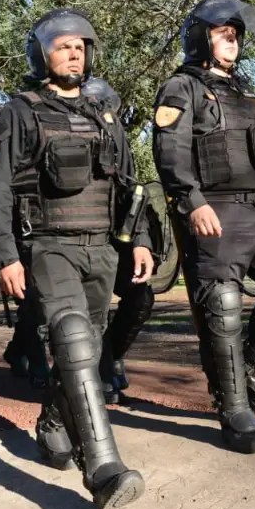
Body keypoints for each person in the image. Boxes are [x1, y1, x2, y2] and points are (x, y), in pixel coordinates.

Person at [0, 8, 153, 509]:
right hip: (47, 245)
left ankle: (54, 423)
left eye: (80, 45)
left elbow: (129, 184)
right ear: (41, 55)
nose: (73, 52)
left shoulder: (107, 113)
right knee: (73, 336)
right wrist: (5, 255)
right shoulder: (19, 112)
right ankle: (103, 469)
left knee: (90, 352)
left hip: (102, 246)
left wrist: (139, 236)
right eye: (62, 46)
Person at [152, 0, 255, 454]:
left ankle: (253, 372)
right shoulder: (180, 88)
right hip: (216, 210)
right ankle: (233, 408)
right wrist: (191, 201)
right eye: (224, 33)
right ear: (201, 37)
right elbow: (169, 152)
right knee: (222, 306)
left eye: (237, 35)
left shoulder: (248, 94)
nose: (233, 41)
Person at [81, 77, 158, 405]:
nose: (102, 113)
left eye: (105, 106)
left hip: (116, 235)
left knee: (141, 298)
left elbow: (131, 189)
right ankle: (94, 371)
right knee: (87, 309)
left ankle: (111, 355)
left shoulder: (116, 133)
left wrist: (141, 240)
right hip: (73, 236)